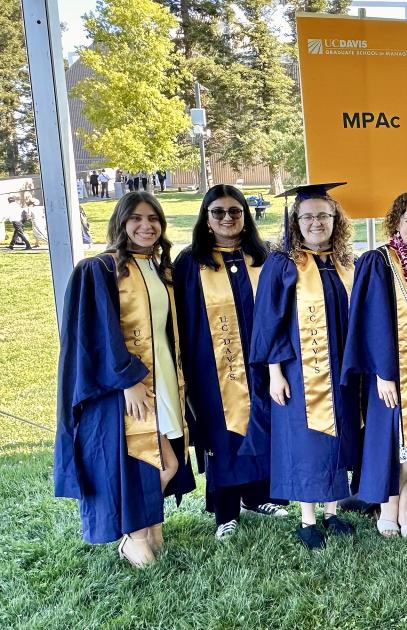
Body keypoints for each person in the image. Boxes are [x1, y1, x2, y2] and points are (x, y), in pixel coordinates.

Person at [53, 191, 195, 568]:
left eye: (153, 218)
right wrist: (126, 380)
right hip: (126, 384)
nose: (146, 226)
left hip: (162, 377)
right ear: (120, 222)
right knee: (143, 459)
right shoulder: (99, 269)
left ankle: (148, 527)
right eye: (136, 218)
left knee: (166, 461)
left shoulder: (159, 269)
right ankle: (132, 536)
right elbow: (96, 333)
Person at [246, 183, 361, 550]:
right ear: (296, 221)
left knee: (336, 436)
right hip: (299, 369)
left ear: (335, 220)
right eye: (308, 216)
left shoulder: (343, 261)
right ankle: (308, 519)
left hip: (342, 366)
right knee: (308, 441)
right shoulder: (282, 263)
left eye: (323, 216)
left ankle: (332, 512)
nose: (316, 223)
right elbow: (268, 321)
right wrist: (275, 372)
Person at [174, 185, 288, 540]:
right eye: (218, 212)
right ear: (206, 219)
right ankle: (226, 510)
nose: (227, 218)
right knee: (223, 435)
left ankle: (260, 496)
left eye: (235, 211)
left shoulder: (264, 256)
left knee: (264, 424)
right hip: (212, 367)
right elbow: (181, 319)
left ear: (245, 215)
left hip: (262, 363)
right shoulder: (191, 262)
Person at [342, 191, 407, 538]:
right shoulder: (379, 262)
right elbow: (370, 320)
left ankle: (404, 513)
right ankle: (386, 510)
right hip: (389, 371)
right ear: (396, 223)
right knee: (389, 440)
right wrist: (383, 374)